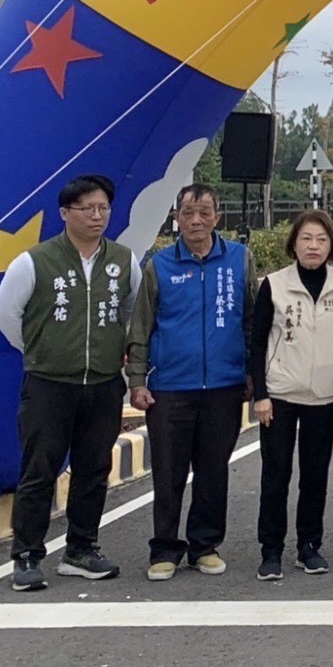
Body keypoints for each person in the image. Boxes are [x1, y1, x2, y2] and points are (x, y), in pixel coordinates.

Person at [0, 173, 135, 590]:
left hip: (104, 383)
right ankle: (27, 556)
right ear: (64, 213)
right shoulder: (34, 262)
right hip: (49, 385)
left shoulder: (122, 261)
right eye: (87, 208)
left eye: (103, 208)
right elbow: (5, 318)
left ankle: (81, 550)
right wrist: (42, 353)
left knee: (94, 468)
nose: (96, 216)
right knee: (40, 469)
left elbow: (128, 313)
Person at [125, 183, 249, 580]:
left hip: (225, 387)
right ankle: (164, 548)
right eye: (188, 213)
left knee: (213, 471)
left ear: (218, 216)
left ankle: (204, 546)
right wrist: (137, 380)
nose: (196, 220)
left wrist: (251, 374)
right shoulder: (158, 266)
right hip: (170, 388)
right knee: (168, 471)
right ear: (175, 218)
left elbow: (251, 322)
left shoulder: (239, 260)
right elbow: (141, 327)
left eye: (205, 212)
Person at [247, 209, 333, 579]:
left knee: (315, 475)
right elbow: (257, 342)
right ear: (294, 243)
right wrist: (260, 394)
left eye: (321, 239)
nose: (313, 246)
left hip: (324, 398)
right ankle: (271, 550)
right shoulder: (273, 285)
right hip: (279, 396)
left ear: (331, 245)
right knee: (275, 475)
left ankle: (309, 546)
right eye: (306, 238)